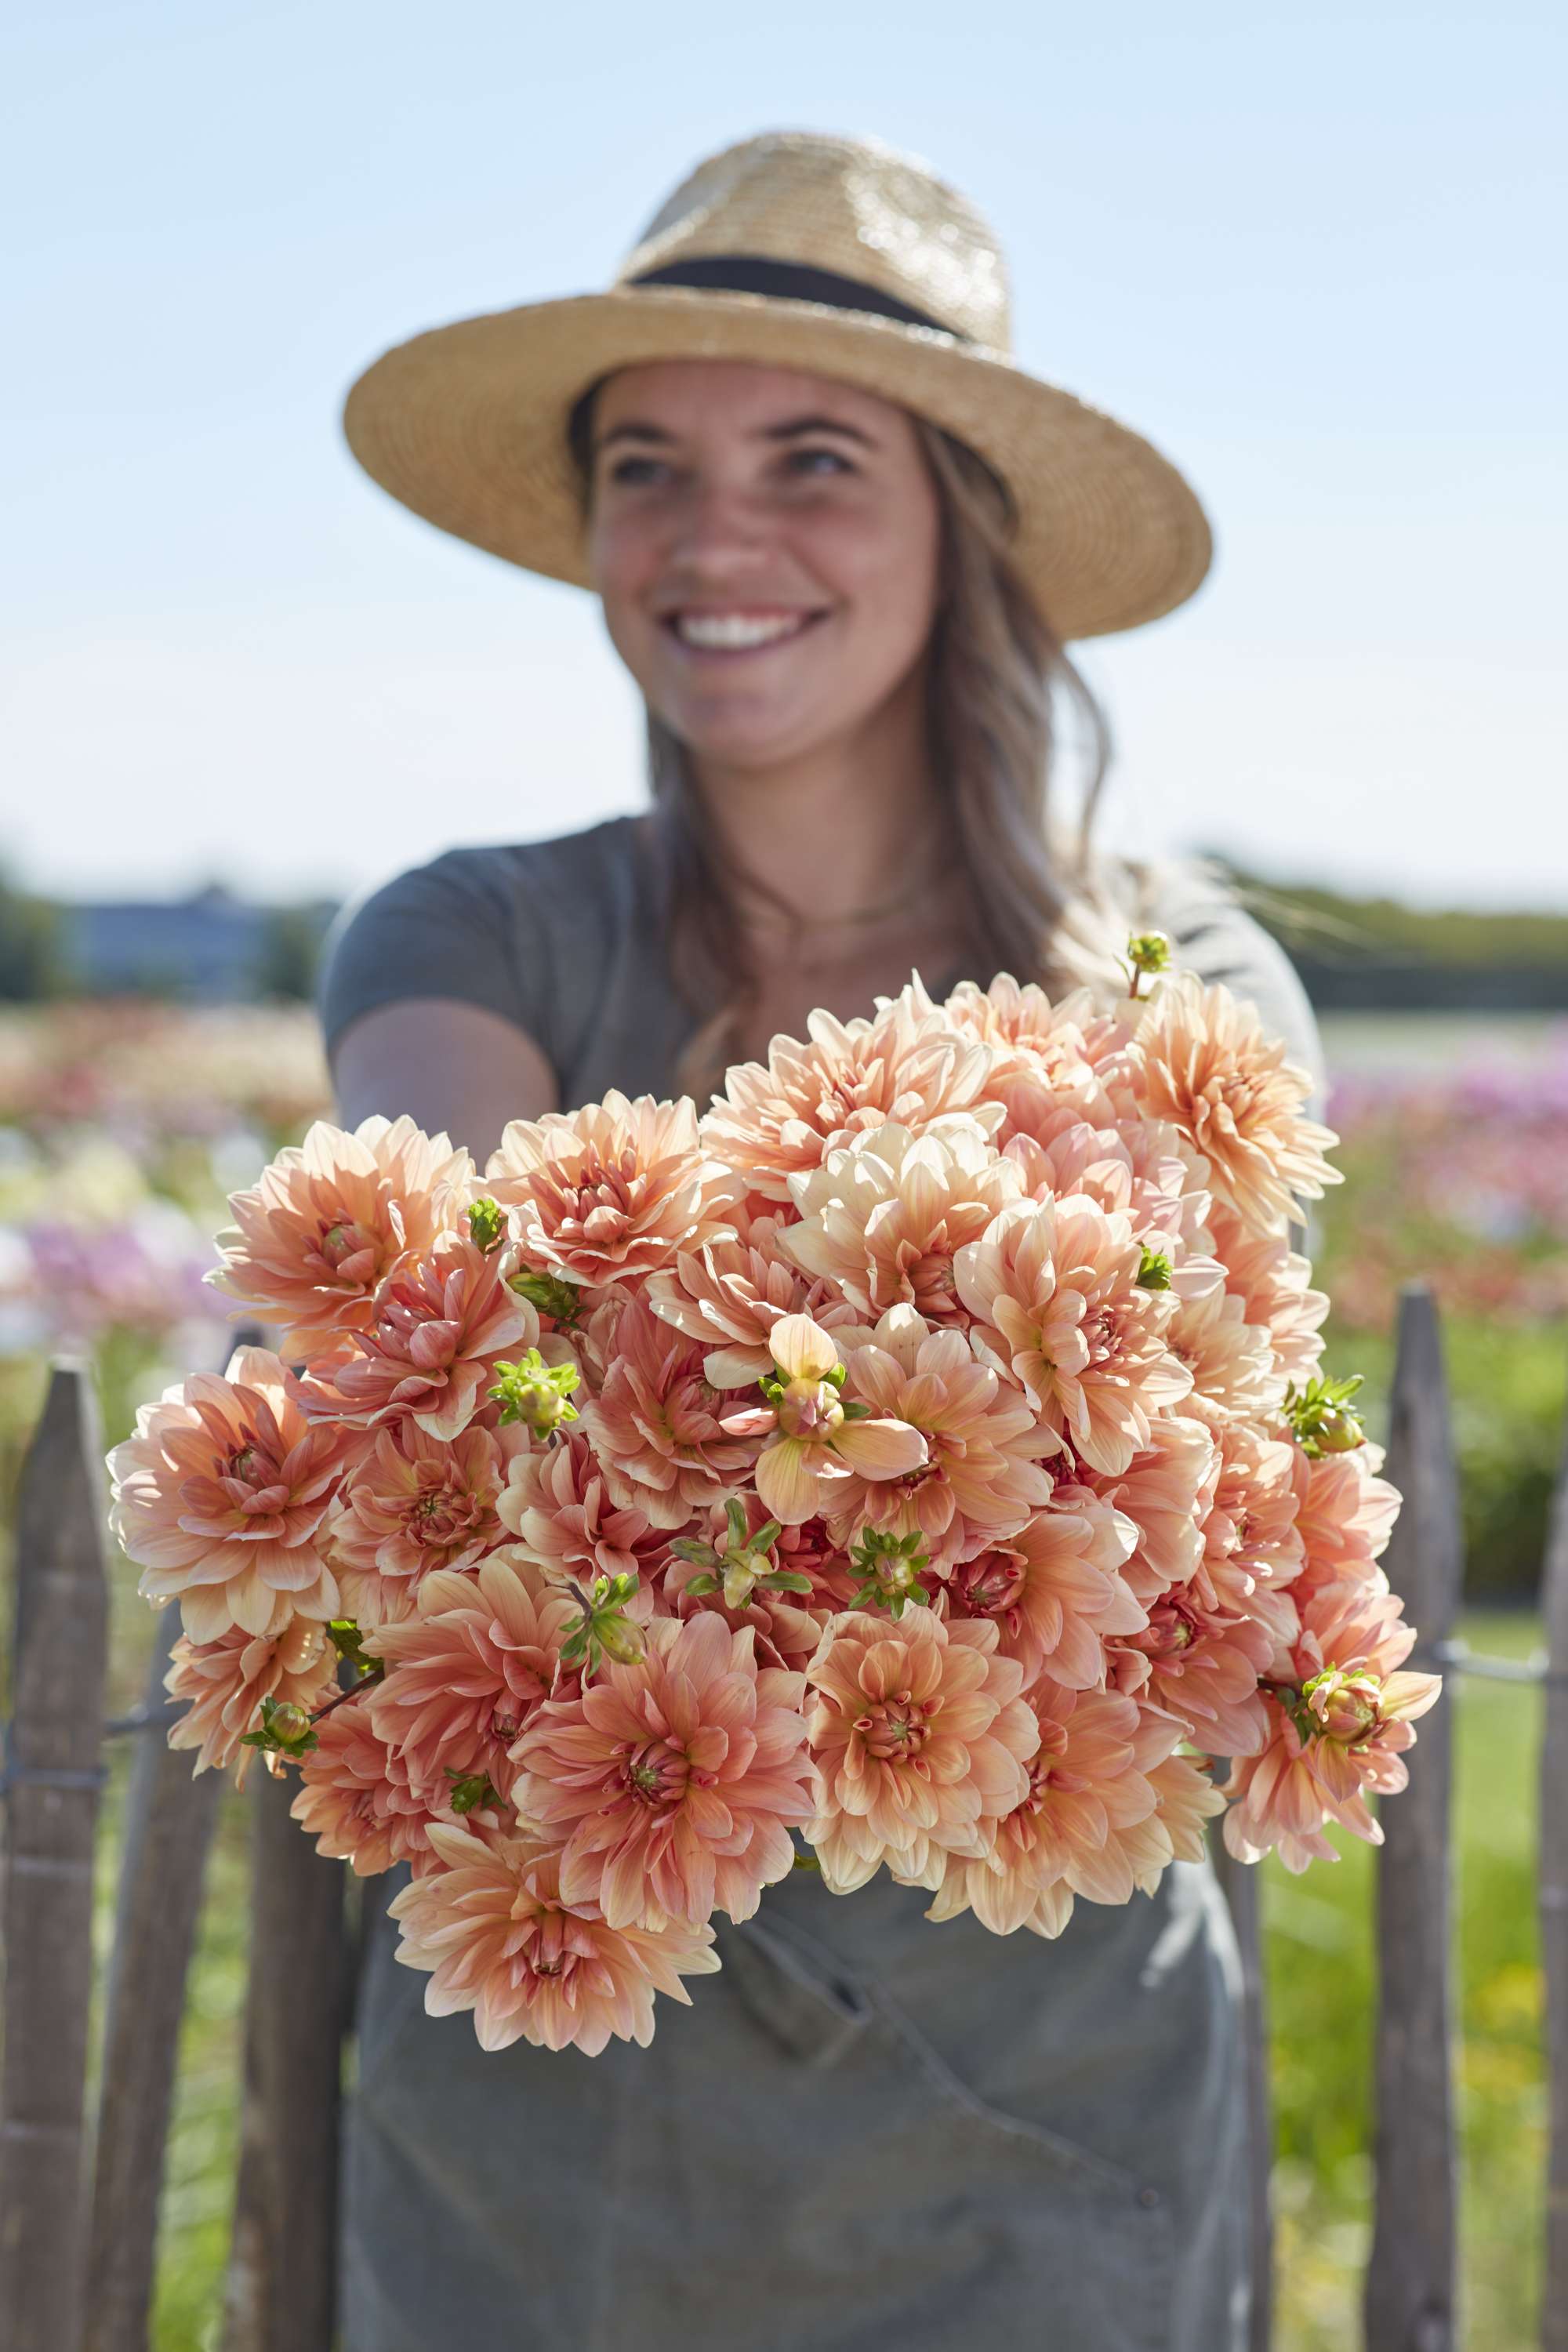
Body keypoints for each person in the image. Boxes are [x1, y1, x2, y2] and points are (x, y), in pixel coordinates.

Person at [320, 129, 1323, 2352]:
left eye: (809, 459)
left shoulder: (1190, 983)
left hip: (1044, 2116)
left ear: (959, 524)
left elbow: (1194, 1476)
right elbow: (438, 1321)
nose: (715, 537)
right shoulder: (469, 934)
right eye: (649, 467)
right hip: (549, 2102)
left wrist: (679, 1404)